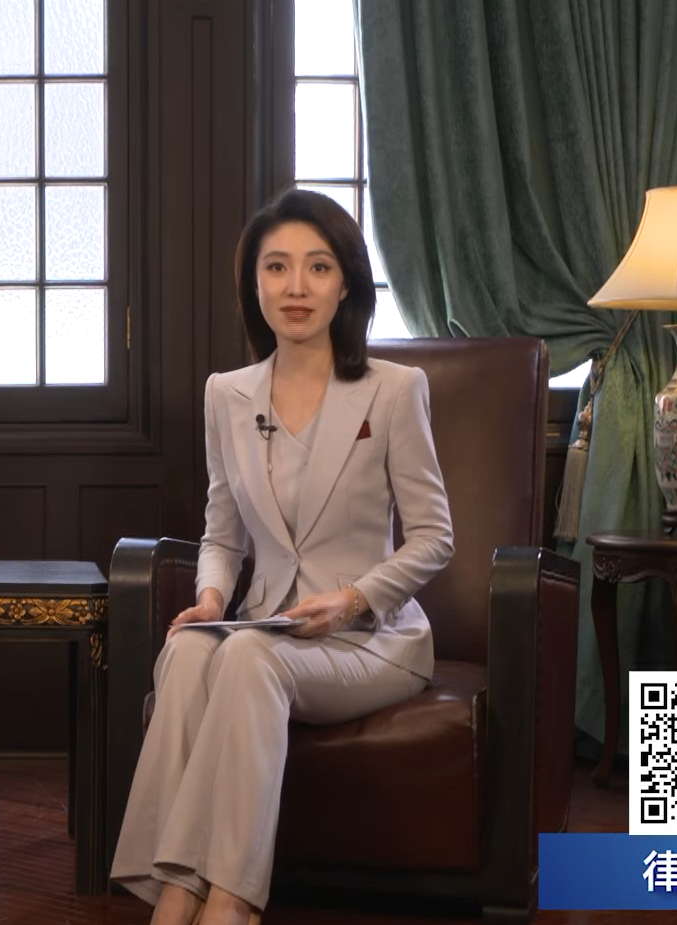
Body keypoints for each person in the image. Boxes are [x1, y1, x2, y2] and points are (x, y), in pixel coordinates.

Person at [109, 189, 453, 925]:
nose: (296, 286)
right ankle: (178, 887)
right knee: (190, 651)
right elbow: (222, 533)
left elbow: (434, 536)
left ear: (346, 284)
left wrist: (353, 600)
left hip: (369, 639)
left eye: (318, 267)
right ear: (254, 284)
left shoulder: (394, 391)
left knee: (246, 656)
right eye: (277, 267)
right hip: (265, 627)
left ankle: (225, 898)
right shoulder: (227, 396)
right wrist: (209, 599)